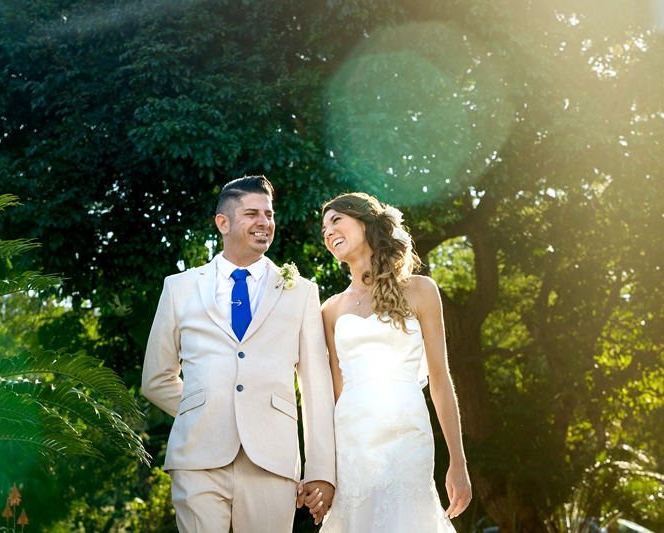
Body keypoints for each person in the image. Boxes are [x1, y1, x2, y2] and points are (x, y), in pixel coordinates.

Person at [142, 175, 336, 533]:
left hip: (272, 459)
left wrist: (321, 470)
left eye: (269, 214)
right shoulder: (179, 288)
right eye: (252, 213)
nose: (264, 222)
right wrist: (205, 408)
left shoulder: (302, 292)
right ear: (223, 223)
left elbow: (316, 387)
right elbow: (155, 378)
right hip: (198, 456)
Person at [298, 192, 472, 532]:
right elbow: (333, 396)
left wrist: (459, 462)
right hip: (353, 441)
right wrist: (326, 475)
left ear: (365, 223)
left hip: (406, 432)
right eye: (323, 228)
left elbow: (439, 380)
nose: (328, 231)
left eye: (336, 220)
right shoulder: (330, 310)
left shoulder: (421, 290)